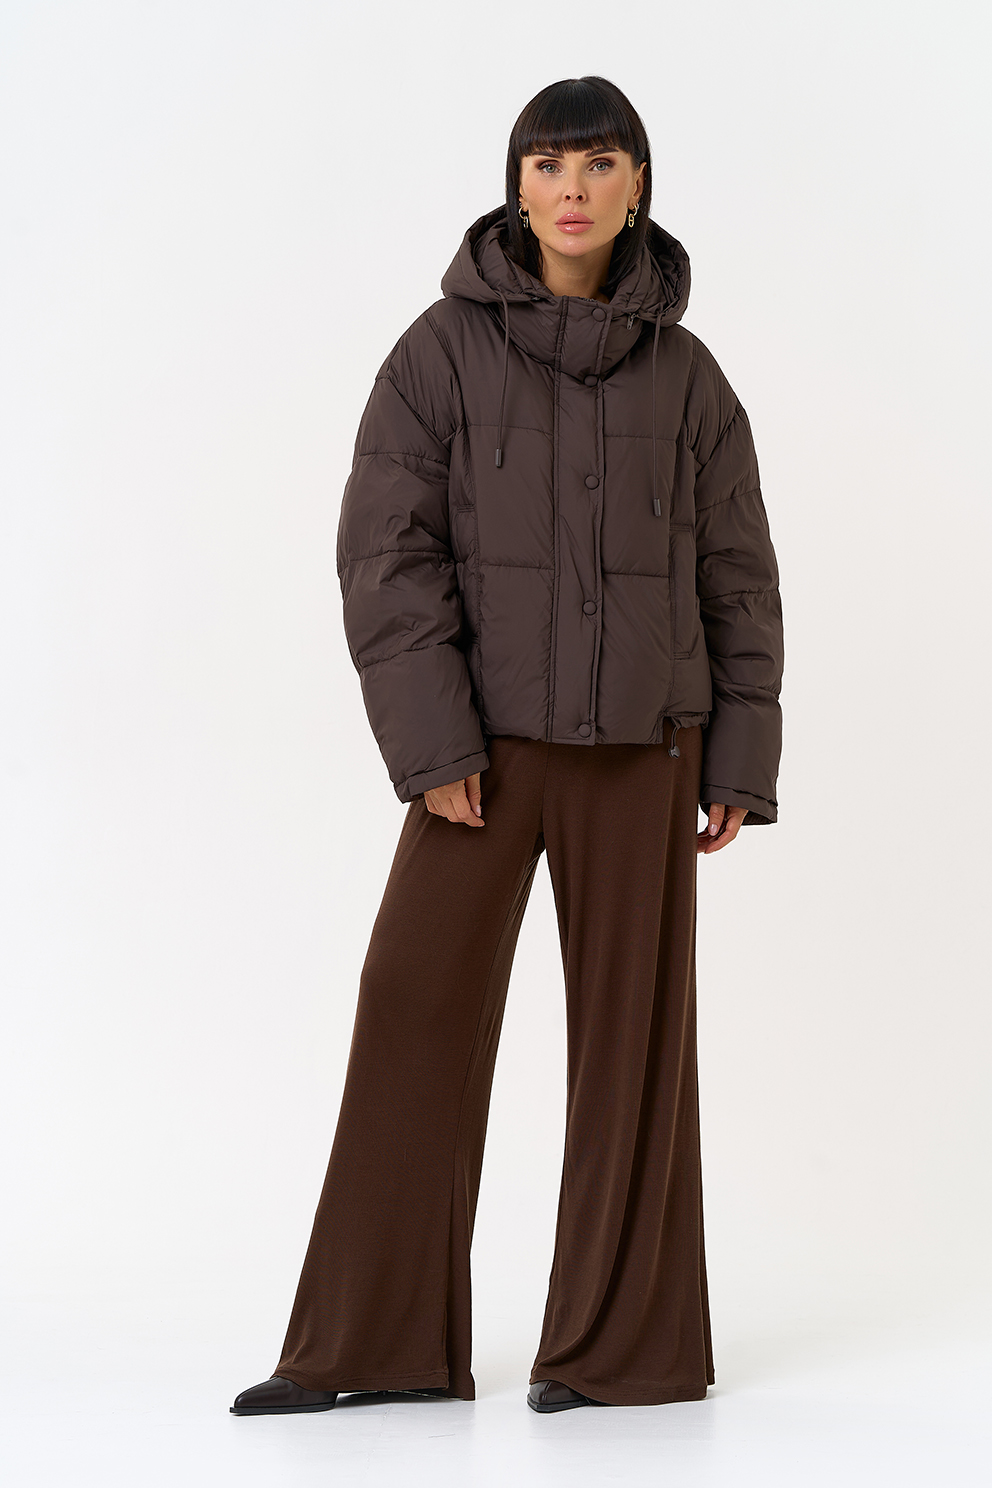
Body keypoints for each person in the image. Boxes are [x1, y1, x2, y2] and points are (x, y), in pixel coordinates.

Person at [230, 74, 784, 1418]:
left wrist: (738, 761)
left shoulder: (692, 379)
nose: (572, 187)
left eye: (598, 162)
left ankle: (619, 1351)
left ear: (638, 186)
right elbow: (387, 556)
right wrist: (434, 745)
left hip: (648, 747)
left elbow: (738, 577)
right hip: (481, 754)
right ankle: (369, 1347)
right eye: (547, 163)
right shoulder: (437, 355)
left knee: (634, 1052)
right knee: (413, 1008)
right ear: (517, 186)